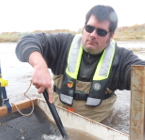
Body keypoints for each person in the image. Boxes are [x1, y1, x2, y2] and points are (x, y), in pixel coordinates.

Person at [15, 5, 145, 122]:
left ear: (111, 36)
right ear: (83, 29)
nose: (93, 35)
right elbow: (27, 41)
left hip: (98, 128)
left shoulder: (123, 58)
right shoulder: (62, 44)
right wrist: (40, 65)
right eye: (89, 28)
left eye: (101, 32)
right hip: (55, 120)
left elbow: (140, 71)